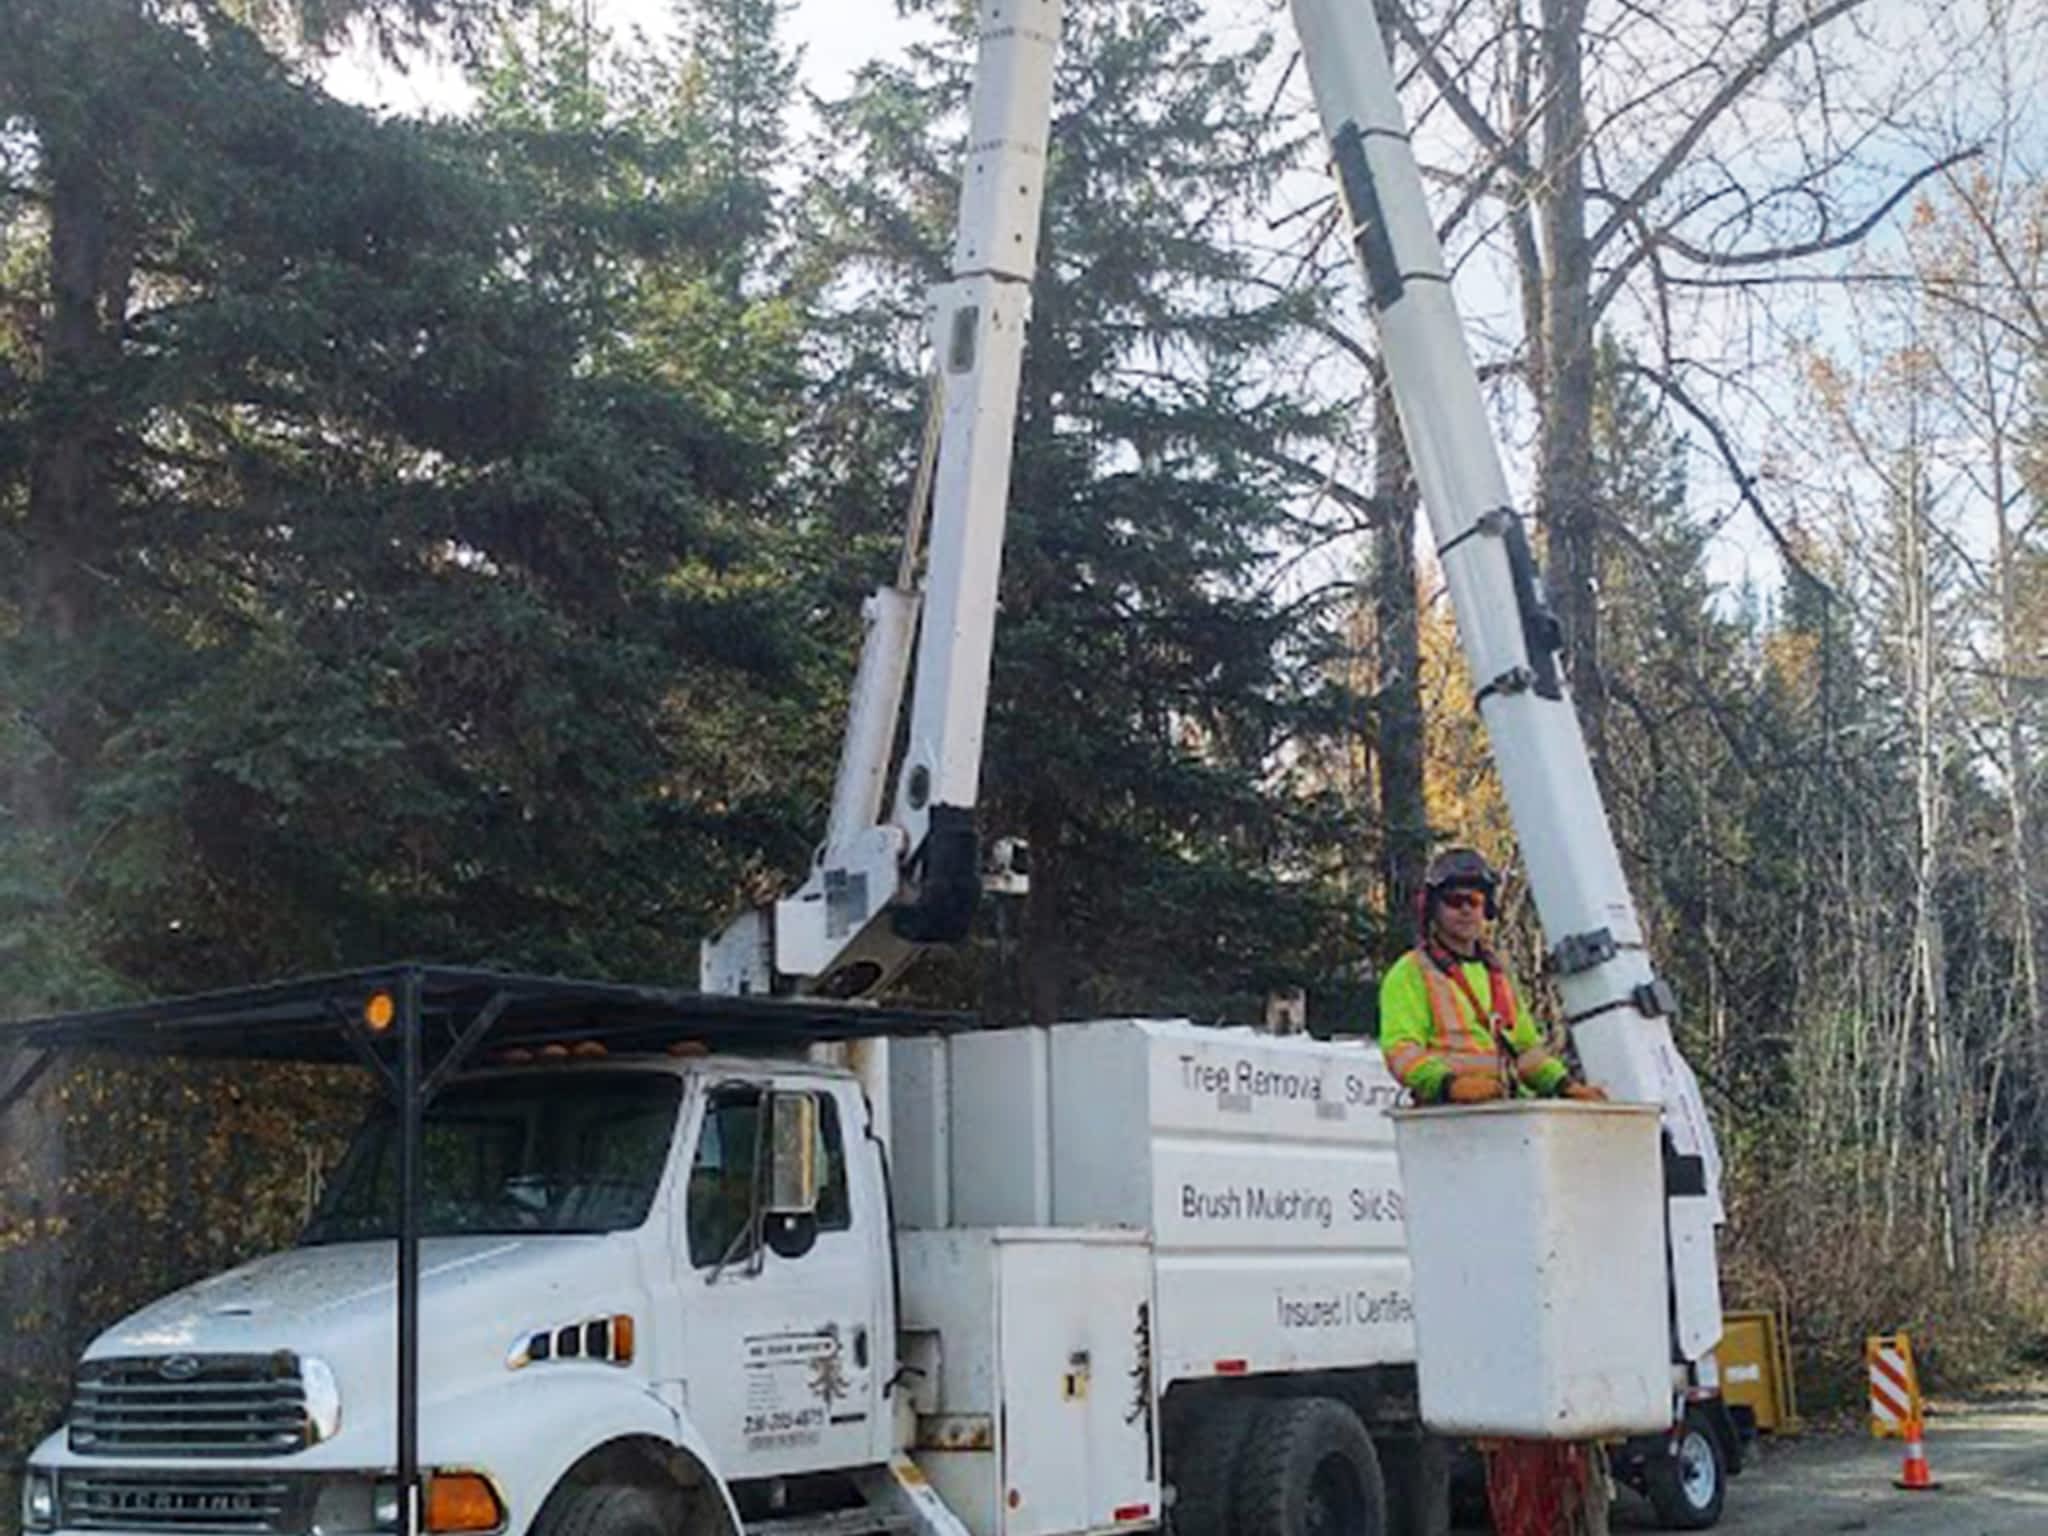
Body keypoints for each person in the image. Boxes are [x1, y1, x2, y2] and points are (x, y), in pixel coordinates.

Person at [1379, 847, 1606, 1105]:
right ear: (1433, 908)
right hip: (1446, 1116)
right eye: (1454, 901)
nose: (1466, 909)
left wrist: (1565, 1085)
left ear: (1486, 908)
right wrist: (1449, 1085)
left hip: (1505, 1111)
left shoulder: (1497, 973)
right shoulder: (1410, 972)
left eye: (1474, 901)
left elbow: (1526, 1050)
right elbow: (1401, 1051)